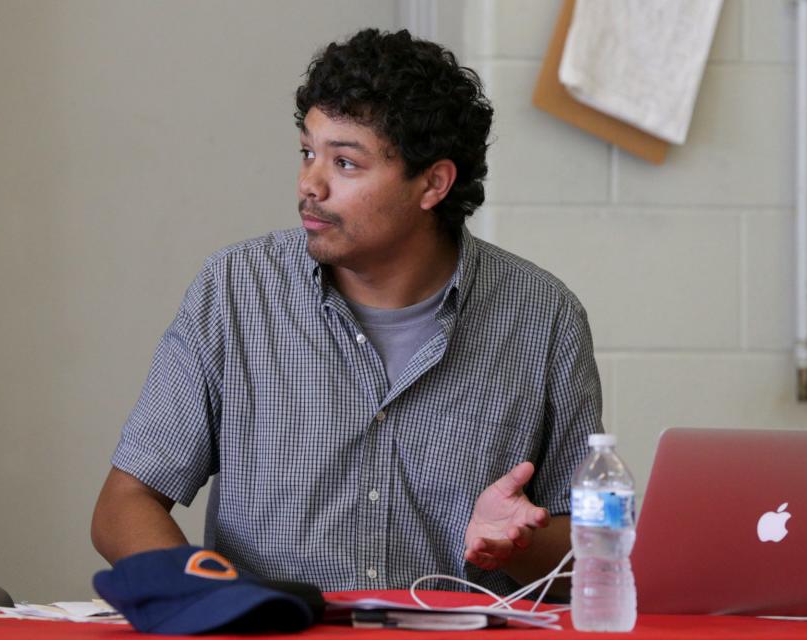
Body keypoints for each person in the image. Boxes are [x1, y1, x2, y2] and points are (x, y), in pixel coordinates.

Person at [91, 28, 602, 597]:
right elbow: (123, 505)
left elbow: (588, 563)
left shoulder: (543, 317)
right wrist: (209, 602)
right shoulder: (235, 290)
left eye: (346, 163)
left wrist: (520, 544)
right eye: (308, 152)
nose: (310, 184)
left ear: (432, 183)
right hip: (275, 639)